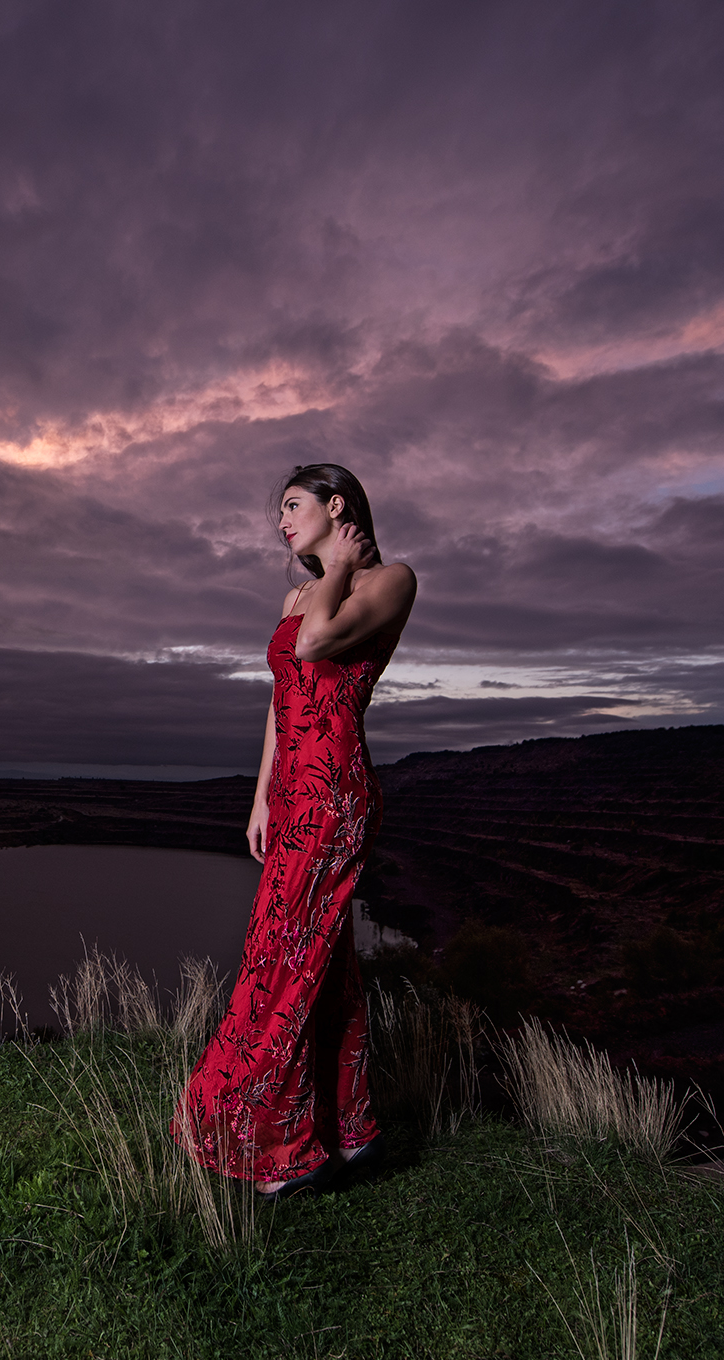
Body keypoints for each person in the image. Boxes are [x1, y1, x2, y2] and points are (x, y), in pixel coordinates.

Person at [172, 463, 417, 1197]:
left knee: (277, 956)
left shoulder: (391, 580)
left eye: (293, 504)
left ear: (336, 504)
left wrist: (340, 566)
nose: (280, 520)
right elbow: (282, 702)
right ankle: (350, 1129)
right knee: (323, 962)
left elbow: (314, 647)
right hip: (290, 794)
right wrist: (258, 799)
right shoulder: (298, 592)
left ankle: (279, 1148)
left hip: (335, 793)